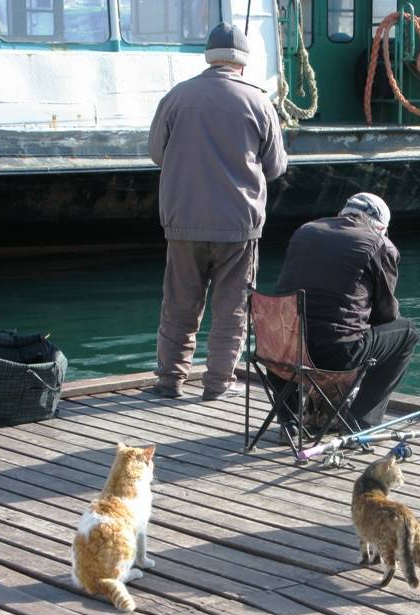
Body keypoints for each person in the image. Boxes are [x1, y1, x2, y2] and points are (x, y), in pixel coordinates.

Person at [148, 22, 287, 401]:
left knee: (179, 303)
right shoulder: (259, 102)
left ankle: (170, 380)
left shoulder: (177, 97)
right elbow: (275, 167)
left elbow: (157, 154)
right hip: (239, 227)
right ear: (243, 62)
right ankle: (217, 383)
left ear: (209, 56)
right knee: (232, 310)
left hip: (182, 221)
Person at [275, 192, 419, 432]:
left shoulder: (305, 231)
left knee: (305, 328)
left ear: (341, 214)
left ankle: (289, 421)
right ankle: (361, 421)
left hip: (282, 350)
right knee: (407, 333)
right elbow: (386, 315)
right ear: (381, 227)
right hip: (335, 354)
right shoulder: (379, 244)